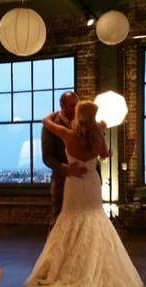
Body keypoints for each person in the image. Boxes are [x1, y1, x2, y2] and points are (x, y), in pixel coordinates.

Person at [11, 101, 146, 287]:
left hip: (74, 183)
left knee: (70, 220)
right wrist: (103, 144)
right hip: (91, 182)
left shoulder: (68, 135)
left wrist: (54, 112)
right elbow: (103, 154)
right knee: (95, 219)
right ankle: (92, 270)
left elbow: (45, 122)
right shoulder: (98, 137)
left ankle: (63, 269)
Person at [41, 91, 87, 227]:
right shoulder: (51, 126)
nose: (75, 109)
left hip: (84, 182)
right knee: (59, 220)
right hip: (62, 182)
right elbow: (47, 157)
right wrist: (66, 169)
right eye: (72, 105)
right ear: (62, 105)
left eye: (77, 105)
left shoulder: (82, 123)